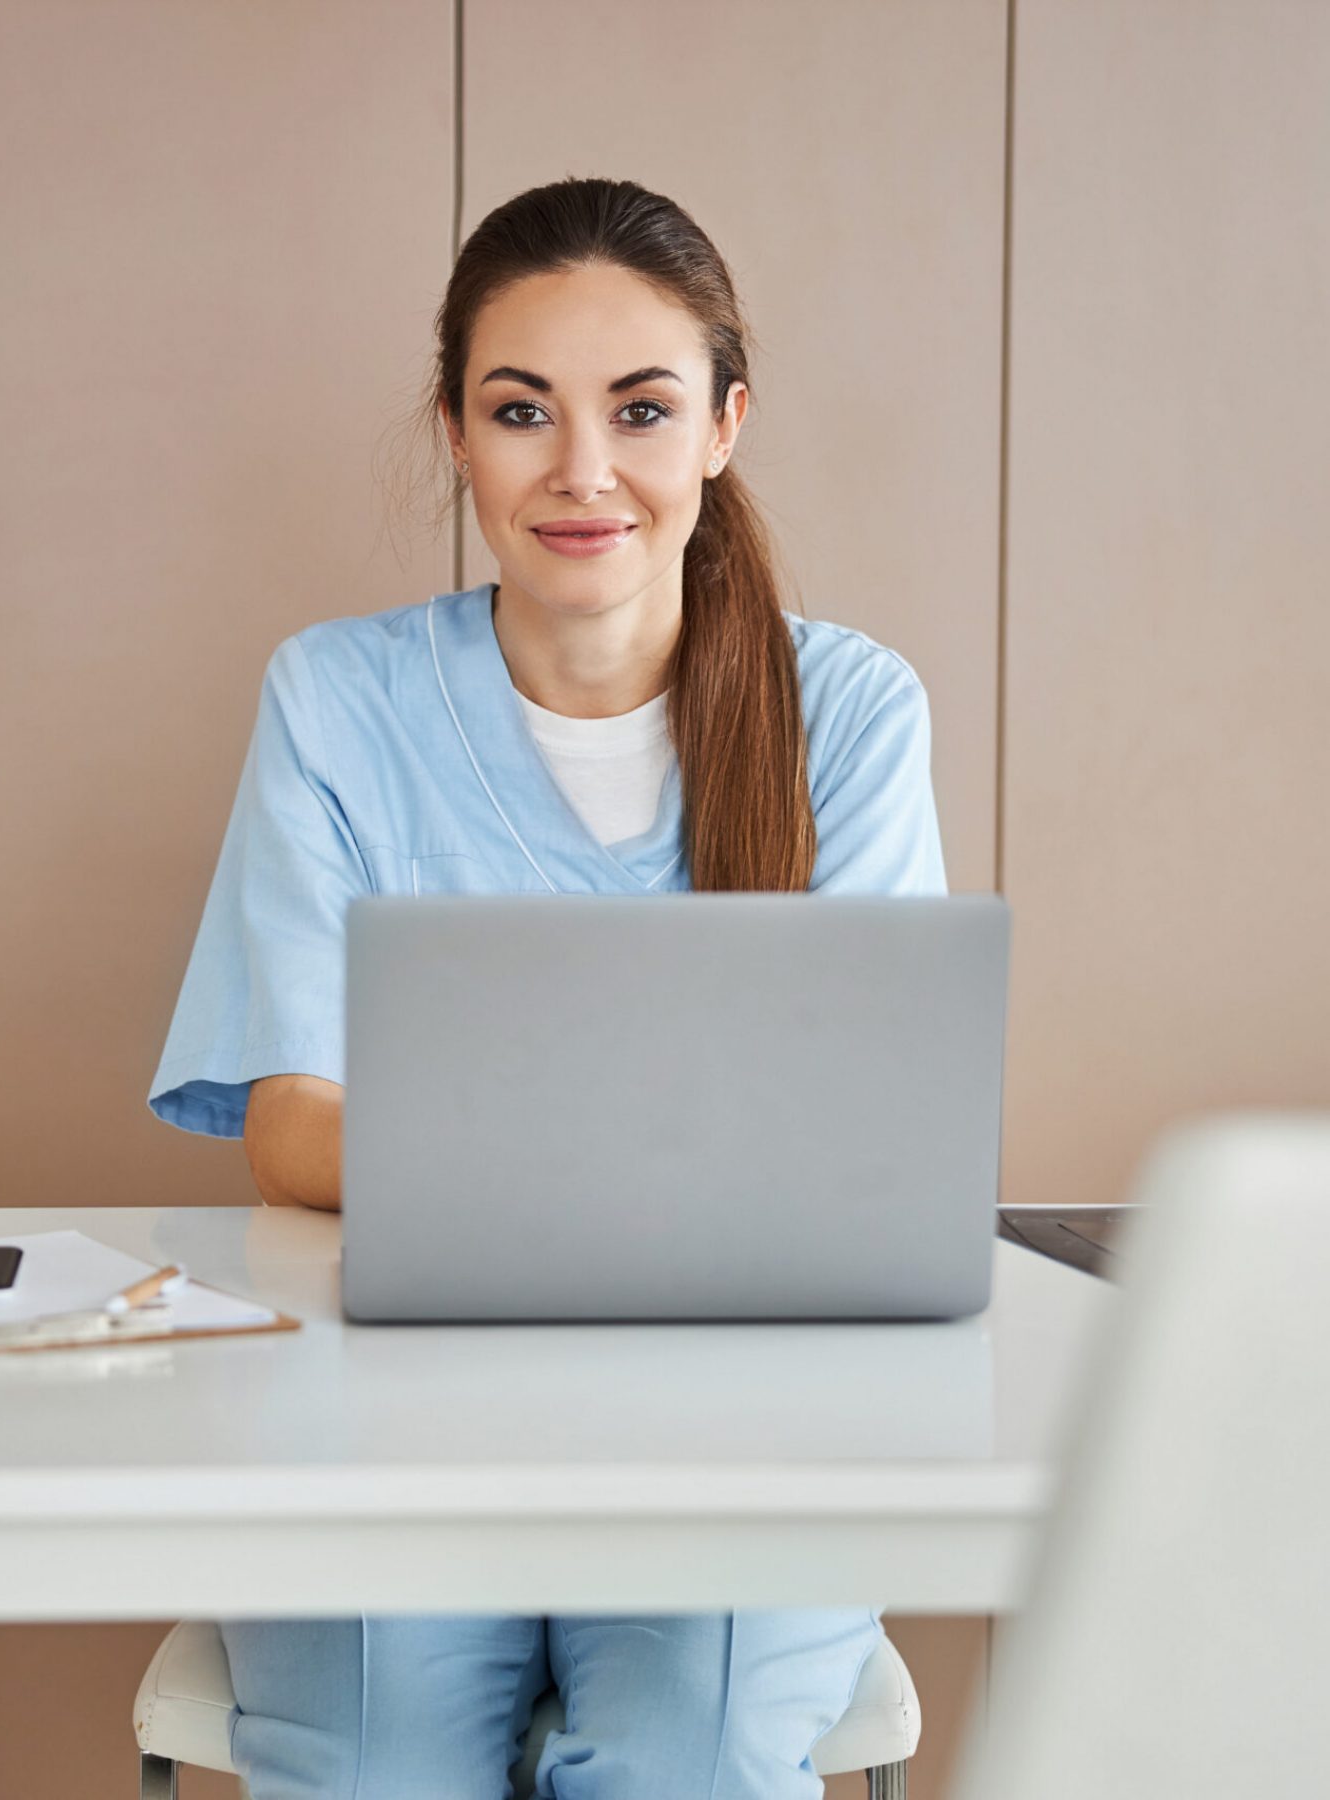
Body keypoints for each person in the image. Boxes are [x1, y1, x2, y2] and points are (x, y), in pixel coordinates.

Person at [148, 176, 946, 1800]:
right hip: (378, 1403)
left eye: (640, 411)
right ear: (455, 432)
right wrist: (670, 1174)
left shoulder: (847, 712)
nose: (583, 471)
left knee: (688, 1752)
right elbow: (294, 1125)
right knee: (377, 1756)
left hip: (744, 1420)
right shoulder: (337, 700)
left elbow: (865, 1139)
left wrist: (496, 1174)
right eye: (524, 412)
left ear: (724, 426)